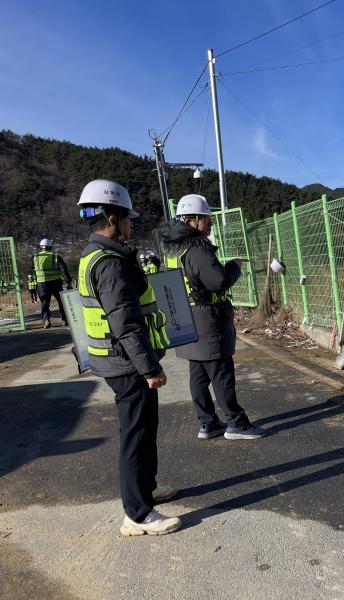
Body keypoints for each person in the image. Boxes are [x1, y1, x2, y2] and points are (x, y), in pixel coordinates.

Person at [77, 179, 180, 537]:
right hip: (126, 362)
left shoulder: (99, 255)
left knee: (145, 426)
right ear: (112, 217)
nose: (131, 224)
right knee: (135, 435)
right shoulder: (109, 264)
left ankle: (147, 489)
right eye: (127, 218)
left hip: (121, 360)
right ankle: (136, 515)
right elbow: (125, 322)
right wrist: (149, 367)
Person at [159, 194, 266, 440]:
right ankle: (236, 423)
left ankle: (207, 423)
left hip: (186, 315)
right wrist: (234, 266)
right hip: (207, 319)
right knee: (221, 372)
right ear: (193, 220)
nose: (210, 224)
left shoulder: (175, 248)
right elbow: (217, 281)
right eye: (207, 219)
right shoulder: (196, 248)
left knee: (198, 374)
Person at [31, 238, 72, 328]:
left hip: (42, 284)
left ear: (41, 247)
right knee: (61, 302)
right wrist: (68, 281)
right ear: (50, 247)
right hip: (55, 282)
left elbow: (32, 271)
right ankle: (64, 319)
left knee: (45, 303)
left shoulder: (35, 258)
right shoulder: (55, 256)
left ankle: (46, 320)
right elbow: (63, 270)